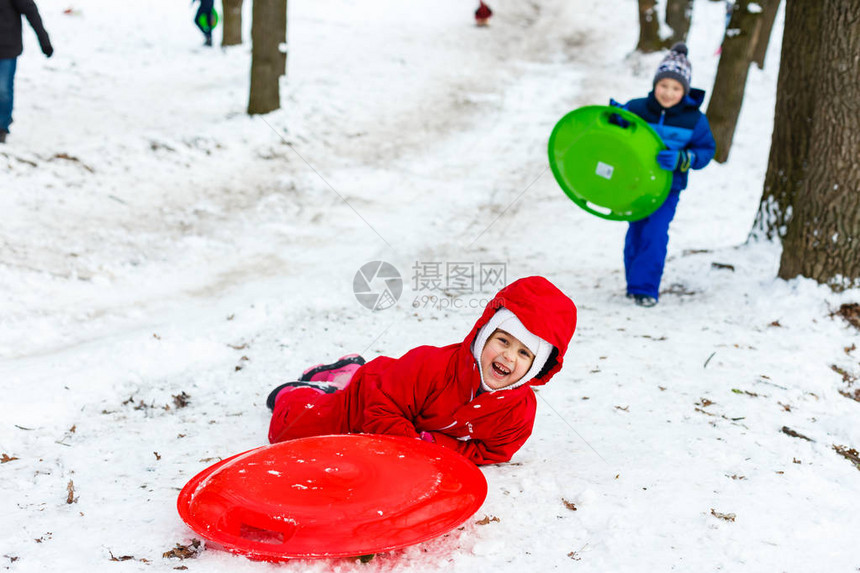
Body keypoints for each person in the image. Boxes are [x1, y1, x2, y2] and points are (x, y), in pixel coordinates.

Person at [266, 276, 577, 465]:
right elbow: (379, 408)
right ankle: (311, 390)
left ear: (537, 366)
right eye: (503, 340)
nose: (508, 356)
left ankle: (347, 370)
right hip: (368, 398)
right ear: (484, 335)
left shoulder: (517, 413)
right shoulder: (432, 367)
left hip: (409, 437)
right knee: (288, 432)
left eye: (524, 353)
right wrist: (415, 444)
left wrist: (436, 446)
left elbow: (492, 452)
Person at [611, 42, 716, 307]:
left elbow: (706, 150)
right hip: (635, 185)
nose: (668, 92)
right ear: (655, 84)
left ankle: (645, 289)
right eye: (663, 85)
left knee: (655, 233)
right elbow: (619, 133)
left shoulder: (694, 120)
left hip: (668, 188)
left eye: (676, 88)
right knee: (636, 232)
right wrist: (614, 117)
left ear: (685, 90)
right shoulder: (638, 107)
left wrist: (683, 158)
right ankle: (634, 283)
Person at [0, 0, 53, 144]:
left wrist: (44, 41)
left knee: (3, 90)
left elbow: (31, 12)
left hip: (7, 49)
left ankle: (2, 126)